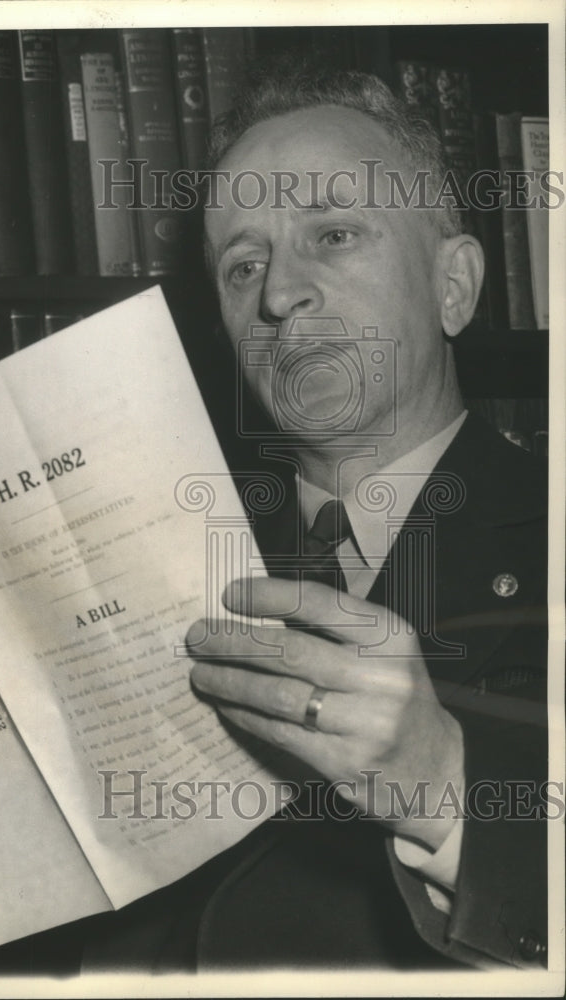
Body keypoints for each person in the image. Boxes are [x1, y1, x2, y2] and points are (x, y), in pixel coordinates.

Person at [80, 63, 548, 972]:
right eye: (243, 265)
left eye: (332, 234)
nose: (278, 294)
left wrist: (446, 786)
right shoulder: (144, 559)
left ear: (453, 286)